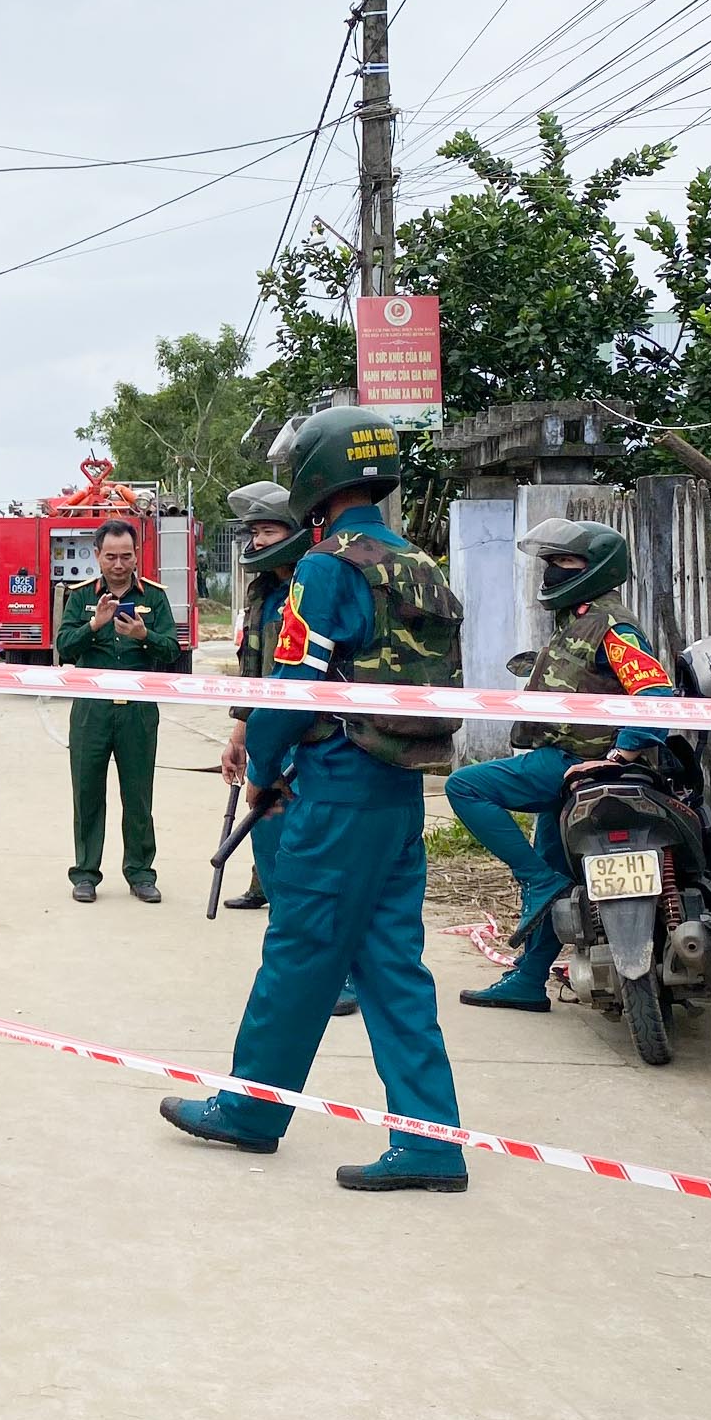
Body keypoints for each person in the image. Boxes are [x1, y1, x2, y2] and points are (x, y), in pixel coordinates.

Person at [160, 407, 469, 1191]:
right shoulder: (416, 561)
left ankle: (251, 1112)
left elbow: (295, 684)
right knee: (392, 965)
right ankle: (429, 1139)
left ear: (314, 476)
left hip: (333, 791)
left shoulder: (327, 566)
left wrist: (261, 764)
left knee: (297, 953)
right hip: (399, 791)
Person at [449, 518, 676, 1013]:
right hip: (573, 767)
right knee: (559, 870)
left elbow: (656, 694)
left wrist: (621, 755)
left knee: (465, 788)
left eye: (566, 562)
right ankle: (530, 981)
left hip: (578, 765)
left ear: (597, 569)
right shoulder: (579, 619)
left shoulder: (614, 626)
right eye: (550, 563)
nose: (551, 572)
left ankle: (534, 879)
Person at [216, 481, 361, 1018]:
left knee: (317, 871)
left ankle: (339, 979)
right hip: (270, 745)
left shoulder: (313, 583)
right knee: (271, 854)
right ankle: (298, 967)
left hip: (316, 747)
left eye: (269, 529)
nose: (258, 540)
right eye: (252, 531)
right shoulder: (260, 593)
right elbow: (255, 673)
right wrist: (241, 734)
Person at [56, 518, 178, 904]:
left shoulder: (155, 597)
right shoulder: (80, 597)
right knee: (87, 792)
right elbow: (65, 647)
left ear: (137, 555)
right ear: (97, 556)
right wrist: (95, 624)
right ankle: (86, 873)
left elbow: (173, 650)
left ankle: (141, 872)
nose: (119, 565)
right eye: (111, 557)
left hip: (138, 712)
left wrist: (144, 636)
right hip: (92, 711)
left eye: (126, 556)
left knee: (138, 794)